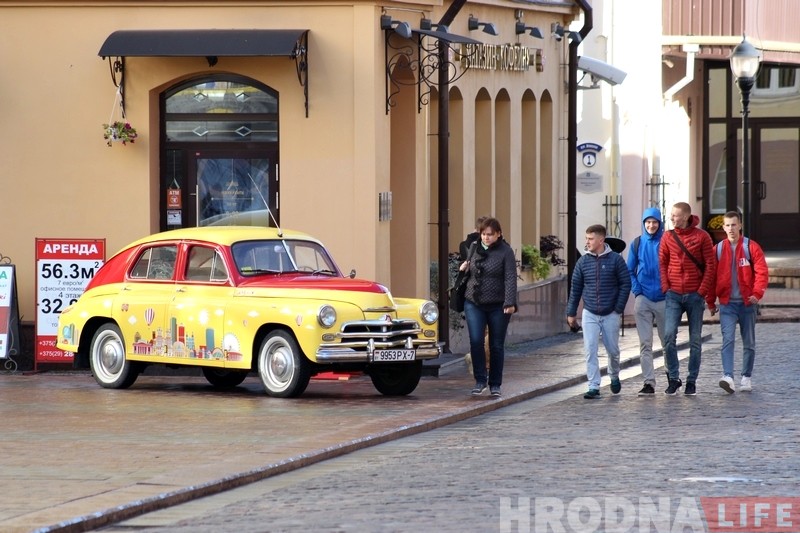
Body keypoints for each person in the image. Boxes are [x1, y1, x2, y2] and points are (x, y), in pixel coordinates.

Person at [566, 225, 631, 399]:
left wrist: (618, 308)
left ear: (601, 240)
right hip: (590, 313)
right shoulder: (583, 262)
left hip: (611, 312)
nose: (587, 242)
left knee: (613, 350)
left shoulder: (616, 260)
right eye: (586, 238)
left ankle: (614, 374)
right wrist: (571, 313)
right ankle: (593, 385)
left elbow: (625, 284)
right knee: (590, 349)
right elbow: (576, 288)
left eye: (590, 238)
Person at [658, 202, 716, 396]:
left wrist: (702, 291)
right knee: (668, 336)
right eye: (671, 215)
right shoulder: (667, 236)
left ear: (685, 217)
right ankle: (674, 378)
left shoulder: (702, 237)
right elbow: (663, 262)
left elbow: (710, 265)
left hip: (694, 294)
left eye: (675, 215)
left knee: (695, 340)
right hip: (673, 294)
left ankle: (692, 380)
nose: (672, 218)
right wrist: (666, 287)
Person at [708, 211, 768, 393]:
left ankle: (746, 377)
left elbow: (761, 272)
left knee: (748, 342)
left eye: (734, 225)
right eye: (727, 225)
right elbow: (711, 277)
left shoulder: (751, 247)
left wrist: (757, 294)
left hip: (747, 303)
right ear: (723, 227)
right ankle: (728, 376)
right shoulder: (717, 249)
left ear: (740, 226)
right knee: (727, 340)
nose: (731, 229)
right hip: (727, 304)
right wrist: (711, 302)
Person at [461, 217, 517, 398]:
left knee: (496, 345)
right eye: (484, 234)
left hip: (498, 305)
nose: (486, 238)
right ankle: (479, 380)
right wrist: (463, 268)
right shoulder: (473, 248)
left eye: (490, 235)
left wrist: (509, 303)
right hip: (473, 302)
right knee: (476, 341)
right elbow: (467, 273)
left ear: (498, 234)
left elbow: (510, 278)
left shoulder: (506, 252)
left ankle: (495, 384)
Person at [627, 207, 666, 396]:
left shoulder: (667, 242)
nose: (651, 225)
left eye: (654, 222)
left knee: (668, 342)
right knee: (645, 343)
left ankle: (671, 377)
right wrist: (637, 291)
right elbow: (629, 270)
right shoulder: (637, 243)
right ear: (643, 223)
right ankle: (648, 382)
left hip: (664, 299)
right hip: (643, 299)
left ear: (660, 223)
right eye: (648, 222)